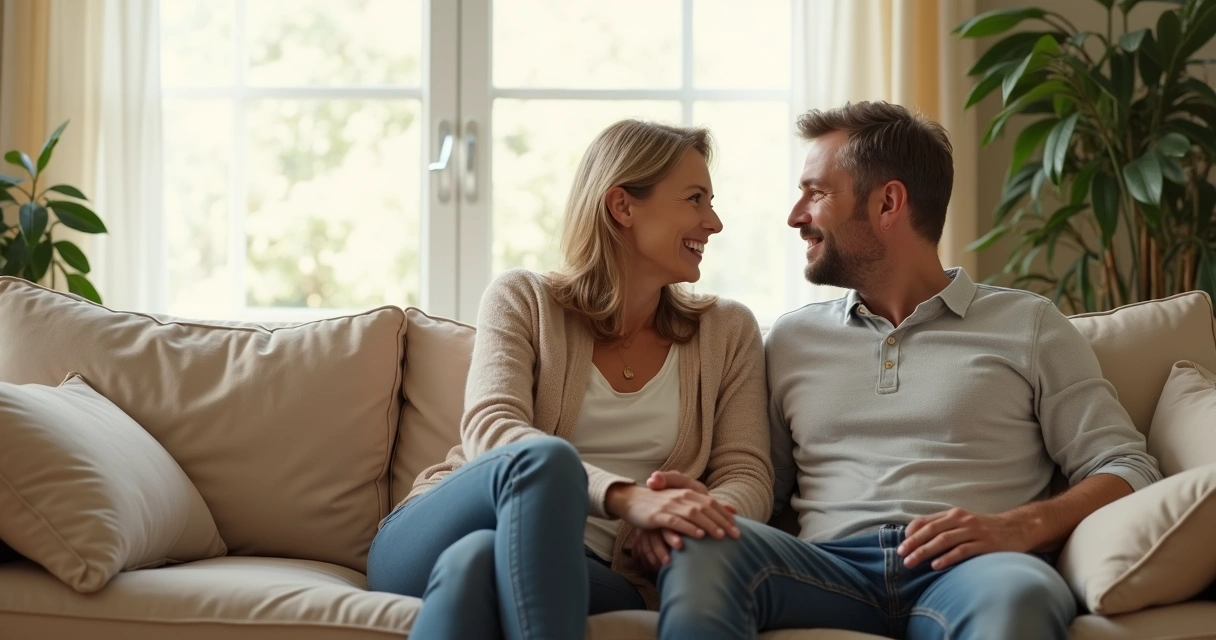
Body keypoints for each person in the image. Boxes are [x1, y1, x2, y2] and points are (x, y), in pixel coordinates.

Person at [656, 101, 1162, 640]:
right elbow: (767, 486)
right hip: (826, 569)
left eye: (817, 192)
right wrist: (704, 506)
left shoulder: (1029, 325)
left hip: (971, 571)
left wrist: (1020, 525)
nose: (796, 215)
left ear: (888, 202)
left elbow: (1129, 465)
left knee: (1023, 595)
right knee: (702, 555)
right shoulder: (791, 339)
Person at [366, 119, 774, 640]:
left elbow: (748, 473)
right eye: (695, 199)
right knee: (542, 465)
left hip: (595, 570)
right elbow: (492, 428)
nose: (713, 222)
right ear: (622, 206)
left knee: (477, 561)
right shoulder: (524, 299)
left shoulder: (727, 330)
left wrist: (689, 518)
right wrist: (630, 499)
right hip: (438, 531)